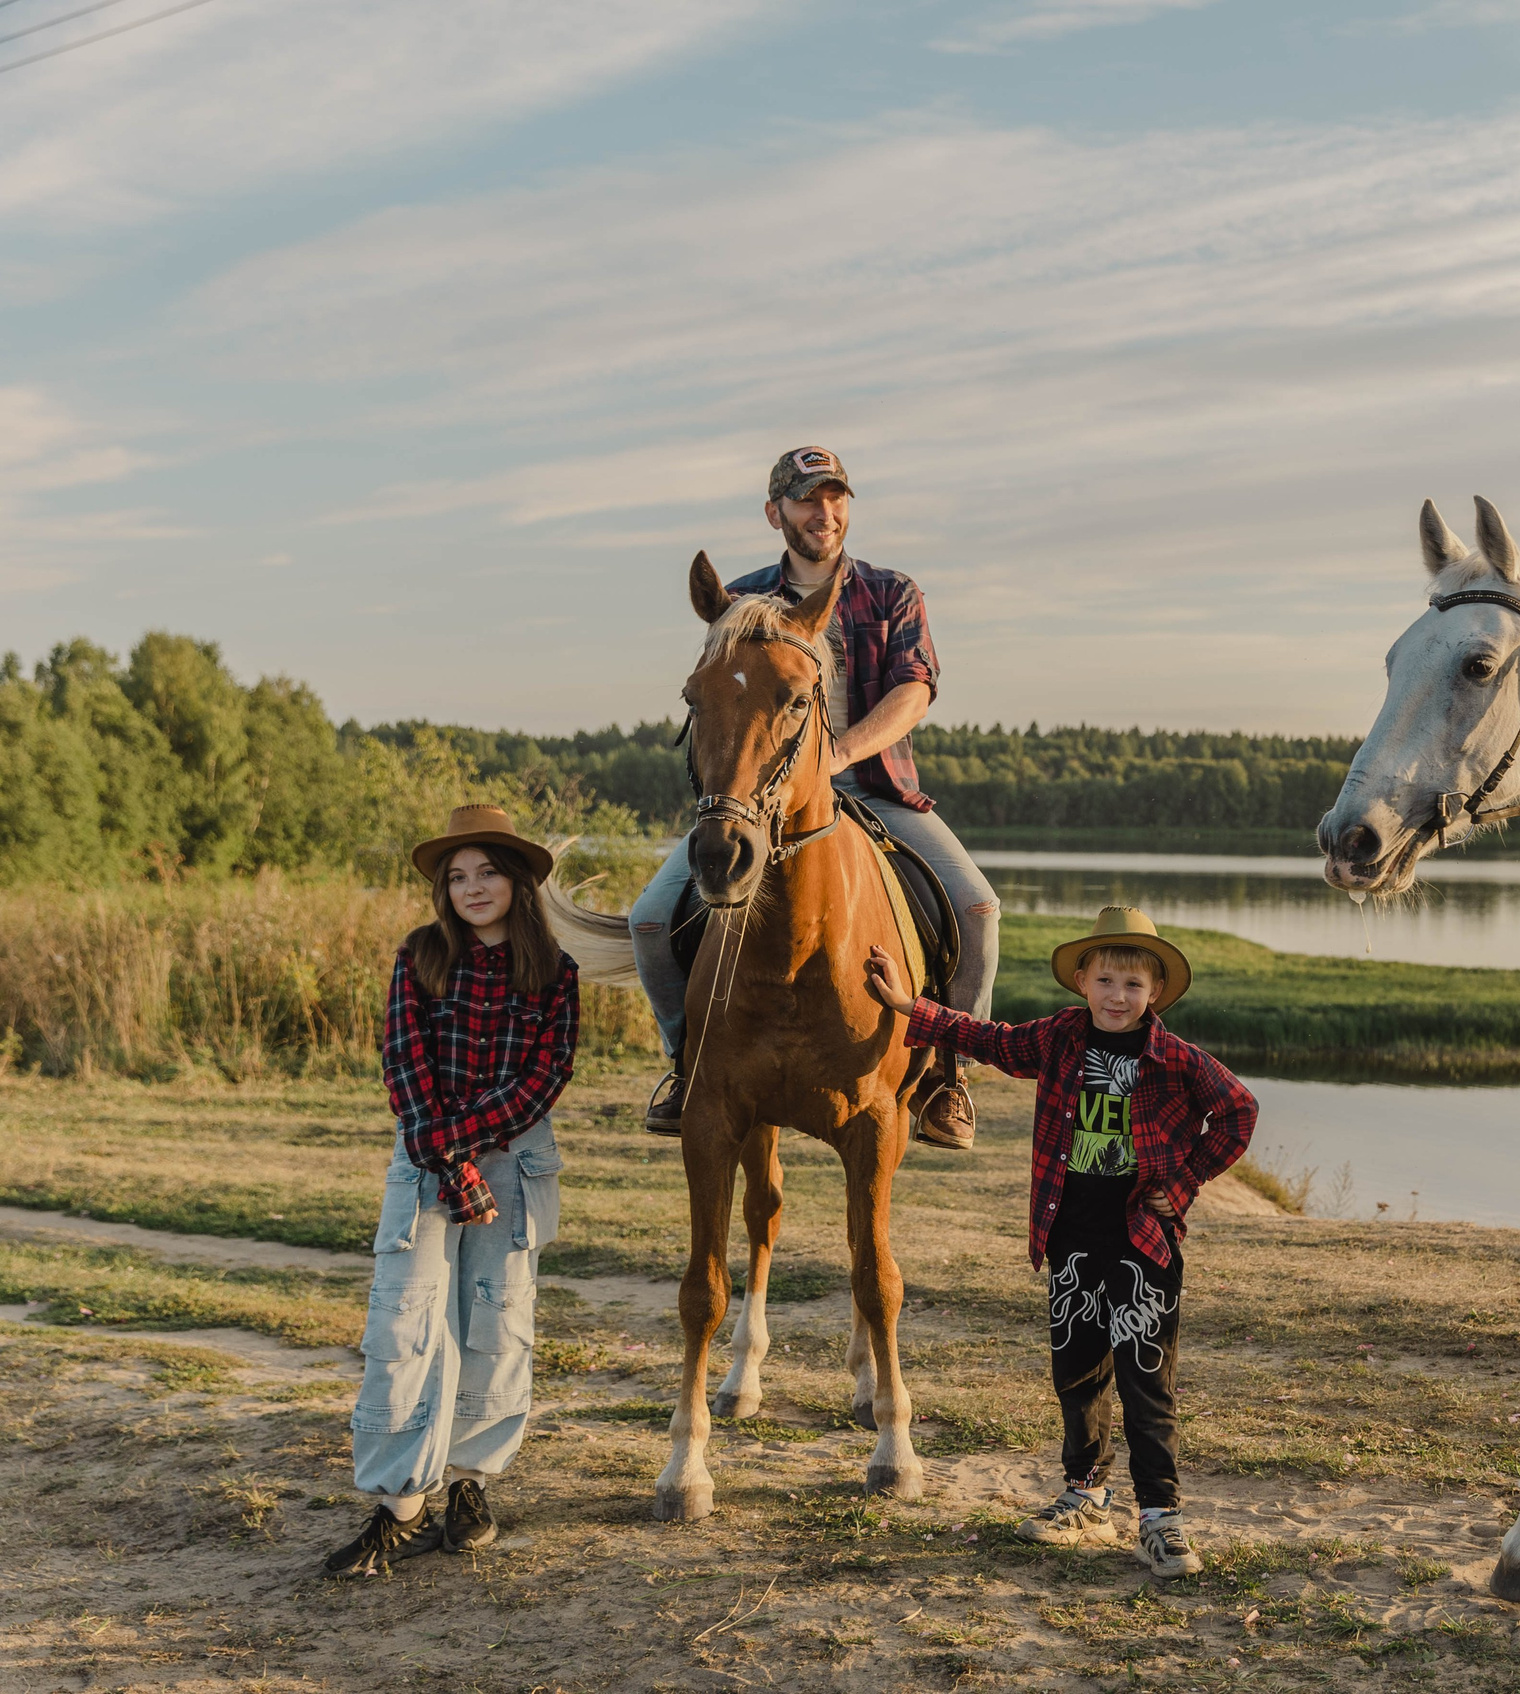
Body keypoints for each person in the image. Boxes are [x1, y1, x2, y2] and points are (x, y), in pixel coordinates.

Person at [861, 907, 1258, 1577]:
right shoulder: (1056, 1040)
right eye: (1106, 980)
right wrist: (907, 1004)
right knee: (1078, 1375)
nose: (1118, 996)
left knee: (1146, 1383)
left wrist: (1184, 1182)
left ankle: (1161, 1520)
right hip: (1072, 1239)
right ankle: (1085, 1498)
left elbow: (1238, 1111)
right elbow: (986, 1038)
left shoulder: (1175, 1058)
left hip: (1143, 1247)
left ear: (1155, 994)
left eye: (1134, 986)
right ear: (1082, 980)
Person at [632, 445, 999, 1149]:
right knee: (650, 921)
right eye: (806, 500)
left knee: (978, 908)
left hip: (878, 789)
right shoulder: (740, 601)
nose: (823, 512)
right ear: (776, 513)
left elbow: (914, 688)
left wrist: (838, 754)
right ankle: (689, 1066)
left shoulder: (892, 592)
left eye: (835, 498)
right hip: (760, 801)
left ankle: (947, 1079)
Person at [325, 805, 579, 1577]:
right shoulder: (421, 955)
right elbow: (404, 1065)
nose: (472, 887)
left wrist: (469, 1148)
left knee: (494, 1323)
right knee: (404, 1321)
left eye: (488, 871)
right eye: (457, 876)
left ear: (519, 880)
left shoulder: (555, 972)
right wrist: (451, 1159)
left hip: (513, 1160)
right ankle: (401, 1506)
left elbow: (544, 1078)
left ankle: (470, 1485)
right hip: (428, 1160)